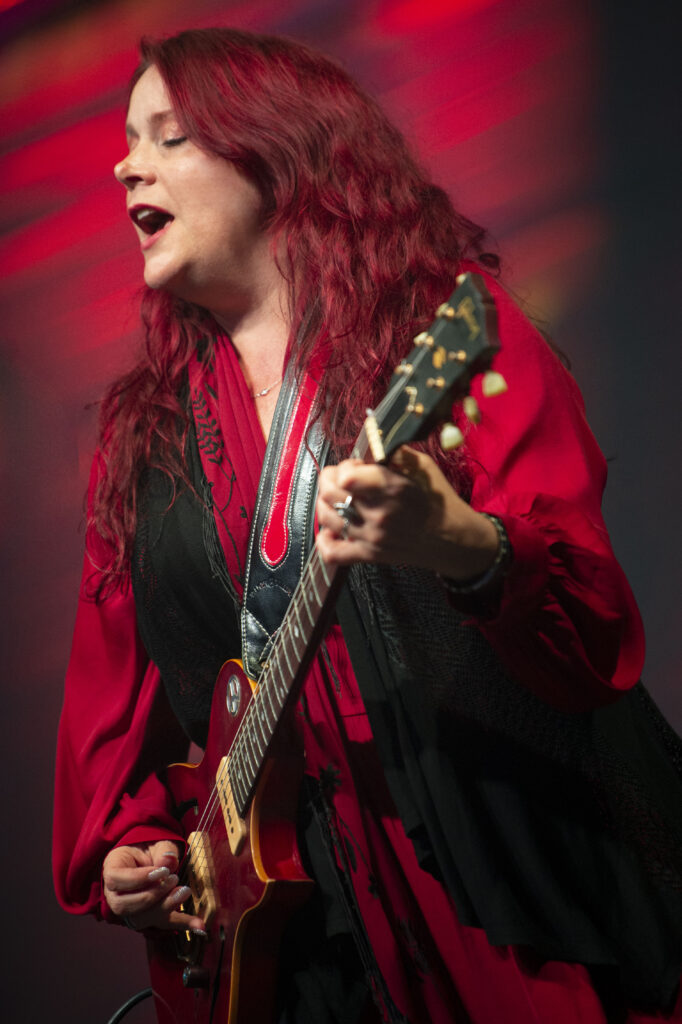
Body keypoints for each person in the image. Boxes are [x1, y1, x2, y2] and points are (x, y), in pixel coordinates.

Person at [53, 26, 682, 1024]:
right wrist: (134, 845)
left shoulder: (444, 339)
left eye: (169, 136)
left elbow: (595, 637)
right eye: (128, 142)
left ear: (277, 148)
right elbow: (110, 728)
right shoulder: (143, 447)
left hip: (498, 889)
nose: (126, 162)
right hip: (295, 957)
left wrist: (465, 548)